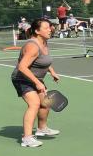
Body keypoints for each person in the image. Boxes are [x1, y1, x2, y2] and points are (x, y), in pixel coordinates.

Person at [10, 18, 61, 148]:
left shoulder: (44, 42)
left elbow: (43, 60)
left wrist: (52, 72)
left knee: (46, 103)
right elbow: (22, 67)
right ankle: (27, 138)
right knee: (34, 104)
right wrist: (37, 83)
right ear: (37, 31)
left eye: (50, 27)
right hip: (22, 78)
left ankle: (42, 129)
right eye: (47, 28)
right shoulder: (32, 46)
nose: (50, 29)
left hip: (36, 78)